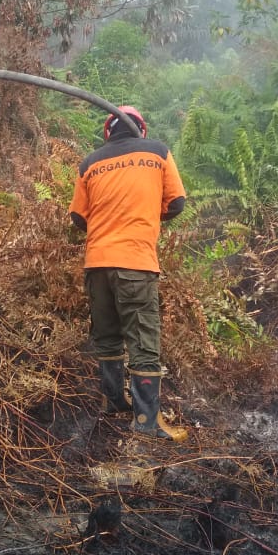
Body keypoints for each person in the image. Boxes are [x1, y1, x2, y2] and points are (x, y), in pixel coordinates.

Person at [69, 105, 189, 441]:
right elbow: (176, 203)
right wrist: (145, 215)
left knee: (107, 337)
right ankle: (146, 422)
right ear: (142, 129)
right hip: (136, 262)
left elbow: (78, 218)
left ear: (108, 131)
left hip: (97, 264)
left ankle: (113, 404)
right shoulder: (158, 152)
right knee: (143, 340)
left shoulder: (89, 163)